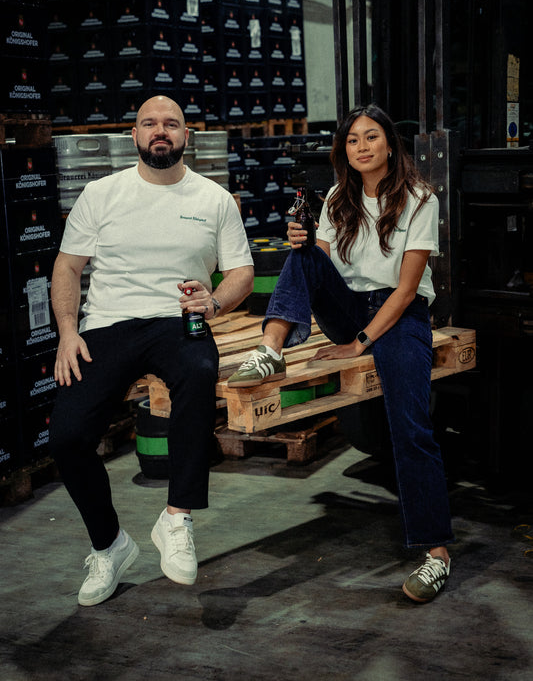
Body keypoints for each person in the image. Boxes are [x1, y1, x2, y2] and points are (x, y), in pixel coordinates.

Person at [227, 103, 454, 603]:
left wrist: (360, 343)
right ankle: (271, 349)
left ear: (390, 144)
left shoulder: (420, 198)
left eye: (371, 137)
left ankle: (435, 553)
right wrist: (304, 248)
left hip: (401, 313)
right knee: (302, 249)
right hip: (349, 305)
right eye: (352, 140)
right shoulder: (336, 198)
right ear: (343, 150)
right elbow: (322, 272)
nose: (362, 147)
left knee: (411, 426)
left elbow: (406, 288)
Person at [49, 95, 254, 606]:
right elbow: (68, 268)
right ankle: (109, 545)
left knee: (200, 369)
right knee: (67, 435)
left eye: (171, 124)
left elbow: (242, 273)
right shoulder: (101, 194)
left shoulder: (214, 199)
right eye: (149, 123)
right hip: (108, 323)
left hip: (179, 318)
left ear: (188, 136)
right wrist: (68, 332)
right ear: (134, 135)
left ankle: (177, 516)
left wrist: (215, 302)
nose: (159, 130)